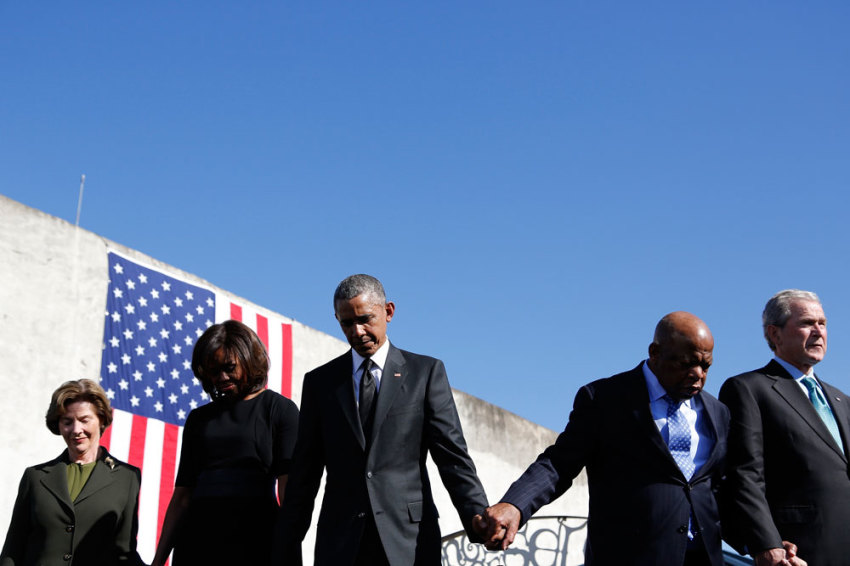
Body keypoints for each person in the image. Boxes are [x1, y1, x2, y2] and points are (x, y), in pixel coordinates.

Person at [480, 312, 732, 566]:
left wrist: (764, 540)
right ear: (655, 352)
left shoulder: (717, 412)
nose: (698, 374)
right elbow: (559, 463)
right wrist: (514, 504)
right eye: (686, 363)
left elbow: (723, 486)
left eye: (706, 366)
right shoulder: (605, 398)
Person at [274, 274, 488, 566]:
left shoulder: (425, 373)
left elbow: (452, 457)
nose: (358, 331)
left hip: (409, 541)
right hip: (341, 543)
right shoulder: (319, 384)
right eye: (346, 323)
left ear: (388, 311)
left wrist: (476, 513)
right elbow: (305, 473)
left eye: (365, 319)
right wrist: (286, 543)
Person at [150, 320, 298, 566]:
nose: (221, 377)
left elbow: (290, 493)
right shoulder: (198, 419)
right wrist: (158, 561)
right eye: (213, 370)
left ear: (249, 360)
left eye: (229, 367)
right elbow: (182, 495)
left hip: (257, 541)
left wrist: (290, 550)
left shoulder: (280, 410)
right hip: (197, 543)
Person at [720, 289, 850, 566]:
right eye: (806, 323)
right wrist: (766, 543)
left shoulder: (842, 400)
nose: (818, 331)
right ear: (775, 334)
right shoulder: (749, 389)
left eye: (823, 323)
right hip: (796, 552)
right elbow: (745, 474)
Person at [0, 379, 144, 566]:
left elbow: (124, 551)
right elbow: (13, 548)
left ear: (101, 419)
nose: (76, 430)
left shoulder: (127, 477)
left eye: (84, 420)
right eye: (67, 422)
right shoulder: (35, 477)